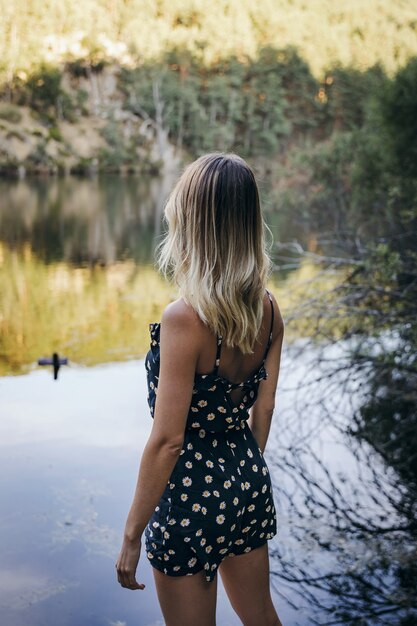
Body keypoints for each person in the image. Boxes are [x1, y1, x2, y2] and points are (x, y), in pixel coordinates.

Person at [116, 153, 285, 626]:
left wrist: (132, 535)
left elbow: (169, 440)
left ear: (194, 222)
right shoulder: (269, 310)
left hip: (189, 493)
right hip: (247, 477)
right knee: (260, 615)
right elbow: (264, 409)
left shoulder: (184, 318)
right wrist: (238, 479)